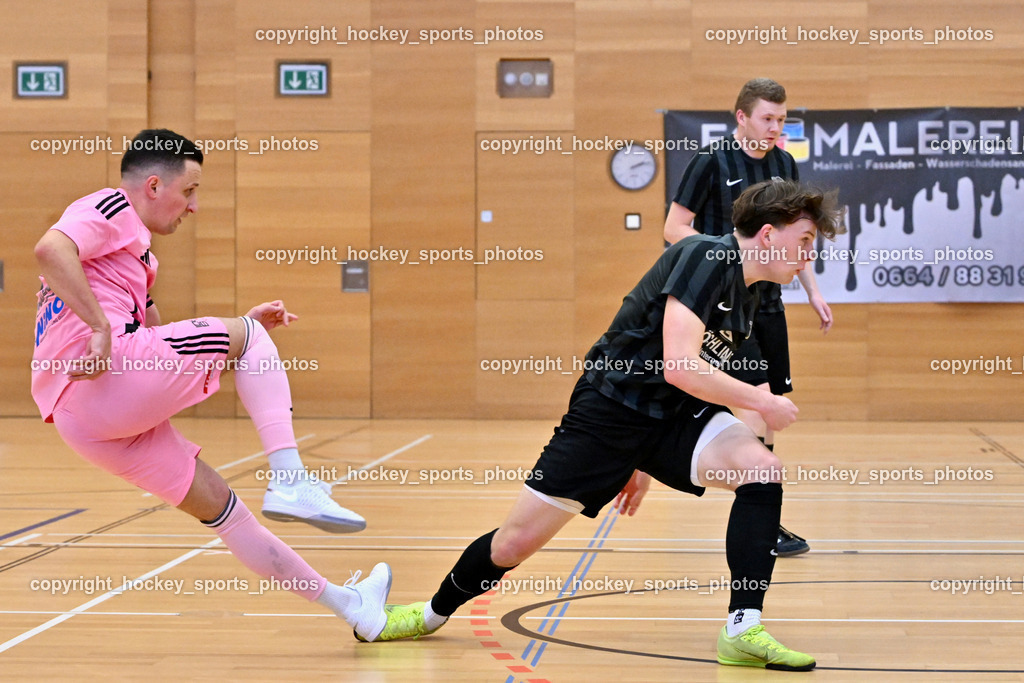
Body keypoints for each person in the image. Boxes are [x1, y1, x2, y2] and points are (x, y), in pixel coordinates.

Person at [370, 179, 845, 671]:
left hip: (670, 419)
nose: (808, 255)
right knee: (512, 544)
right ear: (768, 234)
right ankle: (426, 615)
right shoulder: (708, 256)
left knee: (761, 471)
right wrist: (761, 403)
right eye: (805, 240)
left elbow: (695, 382)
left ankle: (743, 627)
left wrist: (648, 461)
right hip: (609, 413)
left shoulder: (747, 296)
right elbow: (679, 365)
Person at [31, 129, 390, 640]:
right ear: (153, 186)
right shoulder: (111, 206)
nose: (194, 206)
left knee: (226, 511)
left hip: (82, 417)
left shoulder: (140, 261)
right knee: (251, 338)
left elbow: (163, 350)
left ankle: (354, 608)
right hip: (102, 379)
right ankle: (291, 480)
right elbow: (49, 248)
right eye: (191, 191)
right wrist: (100, 327)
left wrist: (241, 335)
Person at [664, 78, 832, 557]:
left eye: (781, 120)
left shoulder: (784, 164)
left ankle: (764, 508)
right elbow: (674, 226)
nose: (775, 128)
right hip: (723, 301)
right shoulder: (711, 161)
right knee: (756, 401)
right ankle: (764, 514)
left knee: (769, 407)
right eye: (767, 118)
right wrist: (718, 261)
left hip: (769, 305)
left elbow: (798, 237)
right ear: (741, 117)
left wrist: (813, 289)